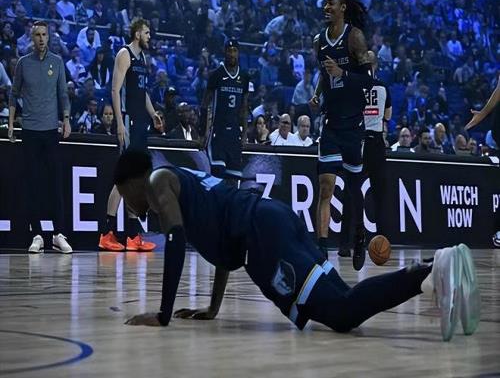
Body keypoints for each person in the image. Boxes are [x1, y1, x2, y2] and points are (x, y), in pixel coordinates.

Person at [115, 150, 480, 343]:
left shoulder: (157, 182)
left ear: (131, 183)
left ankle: (433, 270)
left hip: (262, 236)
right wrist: (213, 307)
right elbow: (223, 247)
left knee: (340, 313)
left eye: (124, 196)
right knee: (343, 305)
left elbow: (176, 240)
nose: (129, 206)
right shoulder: (183, 182)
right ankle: (432, 274)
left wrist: (163, 314)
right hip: (271, 220)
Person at [309, 0, 379, 269]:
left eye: (331, 3)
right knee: (325, 187)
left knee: (352, 187)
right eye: (324, 3)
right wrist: (317, 93)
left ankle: (359, 234)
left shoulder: (354, 37)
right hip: (331, 124)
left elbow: (368, 81)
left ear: (343, 7)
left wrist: (343, 74)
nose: (326, 7)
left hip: (353, 125)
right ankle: (321, 249)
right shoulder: (319, 40)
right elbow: (323, 73)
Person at [8, 20, 73, 253]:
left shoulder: (57, 62)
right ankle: (36, 235)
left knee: (55, 183)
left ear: (49, 36)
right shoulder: (23, 63)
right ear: (32, 38)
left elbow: (63, 94)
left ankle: (58, 234)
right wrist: (11, 124)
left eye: (45, 34)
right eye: (38, 35)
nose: (42, 39)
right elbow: (14, 94)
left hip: (50, 130)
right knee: (33, 184)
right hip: (30, 130)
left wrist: (66, 119)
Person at [98, 18, 160, 252]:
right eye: (147, 32)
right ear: (137, 34)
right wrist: (119, 122)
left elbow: (143, 92)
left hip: (141, 123)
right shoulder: (124, 54)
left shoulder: (142, 58)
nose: (149, 36)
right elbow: (115, 89)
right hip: (128, 121)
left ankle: (133, 236)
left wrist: (153, 114)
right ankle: (107, 233)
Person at [339, 51, 392, 256]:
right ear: (376, 65)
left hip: (357, 141)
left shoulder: (353, 85)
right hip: (375, 143)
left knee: (351, 193)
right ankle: (383, 242)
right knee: (380, 196)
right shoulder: (383, 87)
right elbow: (388, 116)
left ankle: (345, 244)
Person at [200, 38, 249, 179]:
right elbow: (205, 104)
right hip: (217, 132)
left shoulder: (244, 77)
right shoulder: (216, 75)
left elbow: (244, 107)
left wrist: (244, 134)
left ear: (238, 53)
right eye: (229, 51)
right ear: (225, 52)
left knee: (234, 179)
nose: (232, 54)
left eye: (234, 51)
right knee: (217, 176)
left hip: (234, 134)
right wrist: (203, 132)